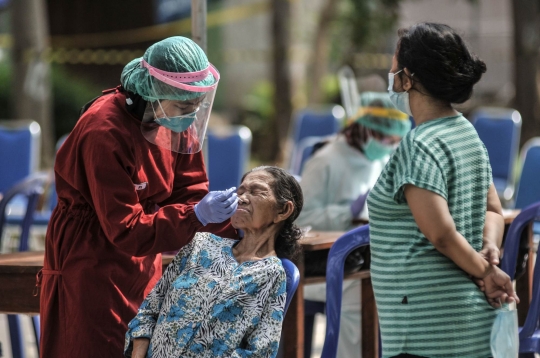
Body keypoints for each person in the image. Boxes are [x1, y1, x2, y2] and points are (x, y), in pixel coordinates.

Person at [38, 37, 240, 357]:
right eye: (185, 107)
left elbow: (190, 191)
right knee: (93, 345)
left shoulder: (170, 115)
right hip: (91, 259)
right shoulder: (103, 131)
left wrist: (236, 224)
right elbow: (126, 228)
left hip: (145, 257)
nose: (190, 117)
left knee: (143, 344)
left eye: (197, 107)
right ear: (155, 93)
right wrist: (195, 216)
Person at [367, 23, 519, 358]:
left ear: (408, 79)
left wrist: (487, 271)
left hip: (426, 331)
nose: (390, 76)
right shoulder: (466, 132)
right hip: (469, 324)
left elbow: (442, 234)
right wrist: (489, 248)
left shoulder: (420, 145)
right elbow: (493, 210)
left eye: (394, 68)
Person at [124, 166, 304, 358]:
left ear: (283, 210)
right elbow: (148, 312)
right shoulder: (200, 245)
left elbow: (259, 352)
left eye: (256, 192)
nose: (241, 198)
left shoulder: (272, 275)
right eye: (240, 191)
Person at [296, 92, 410, 358]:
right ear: (364, 129)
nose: (389, 146)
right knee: (359, 293)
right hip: (323, 265)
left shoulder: (379, 159)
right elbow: (301, 219)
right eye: (385, 139)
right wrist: (346, 212)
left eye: (395, 142)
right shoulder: (325, 161)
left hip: (363, 258)